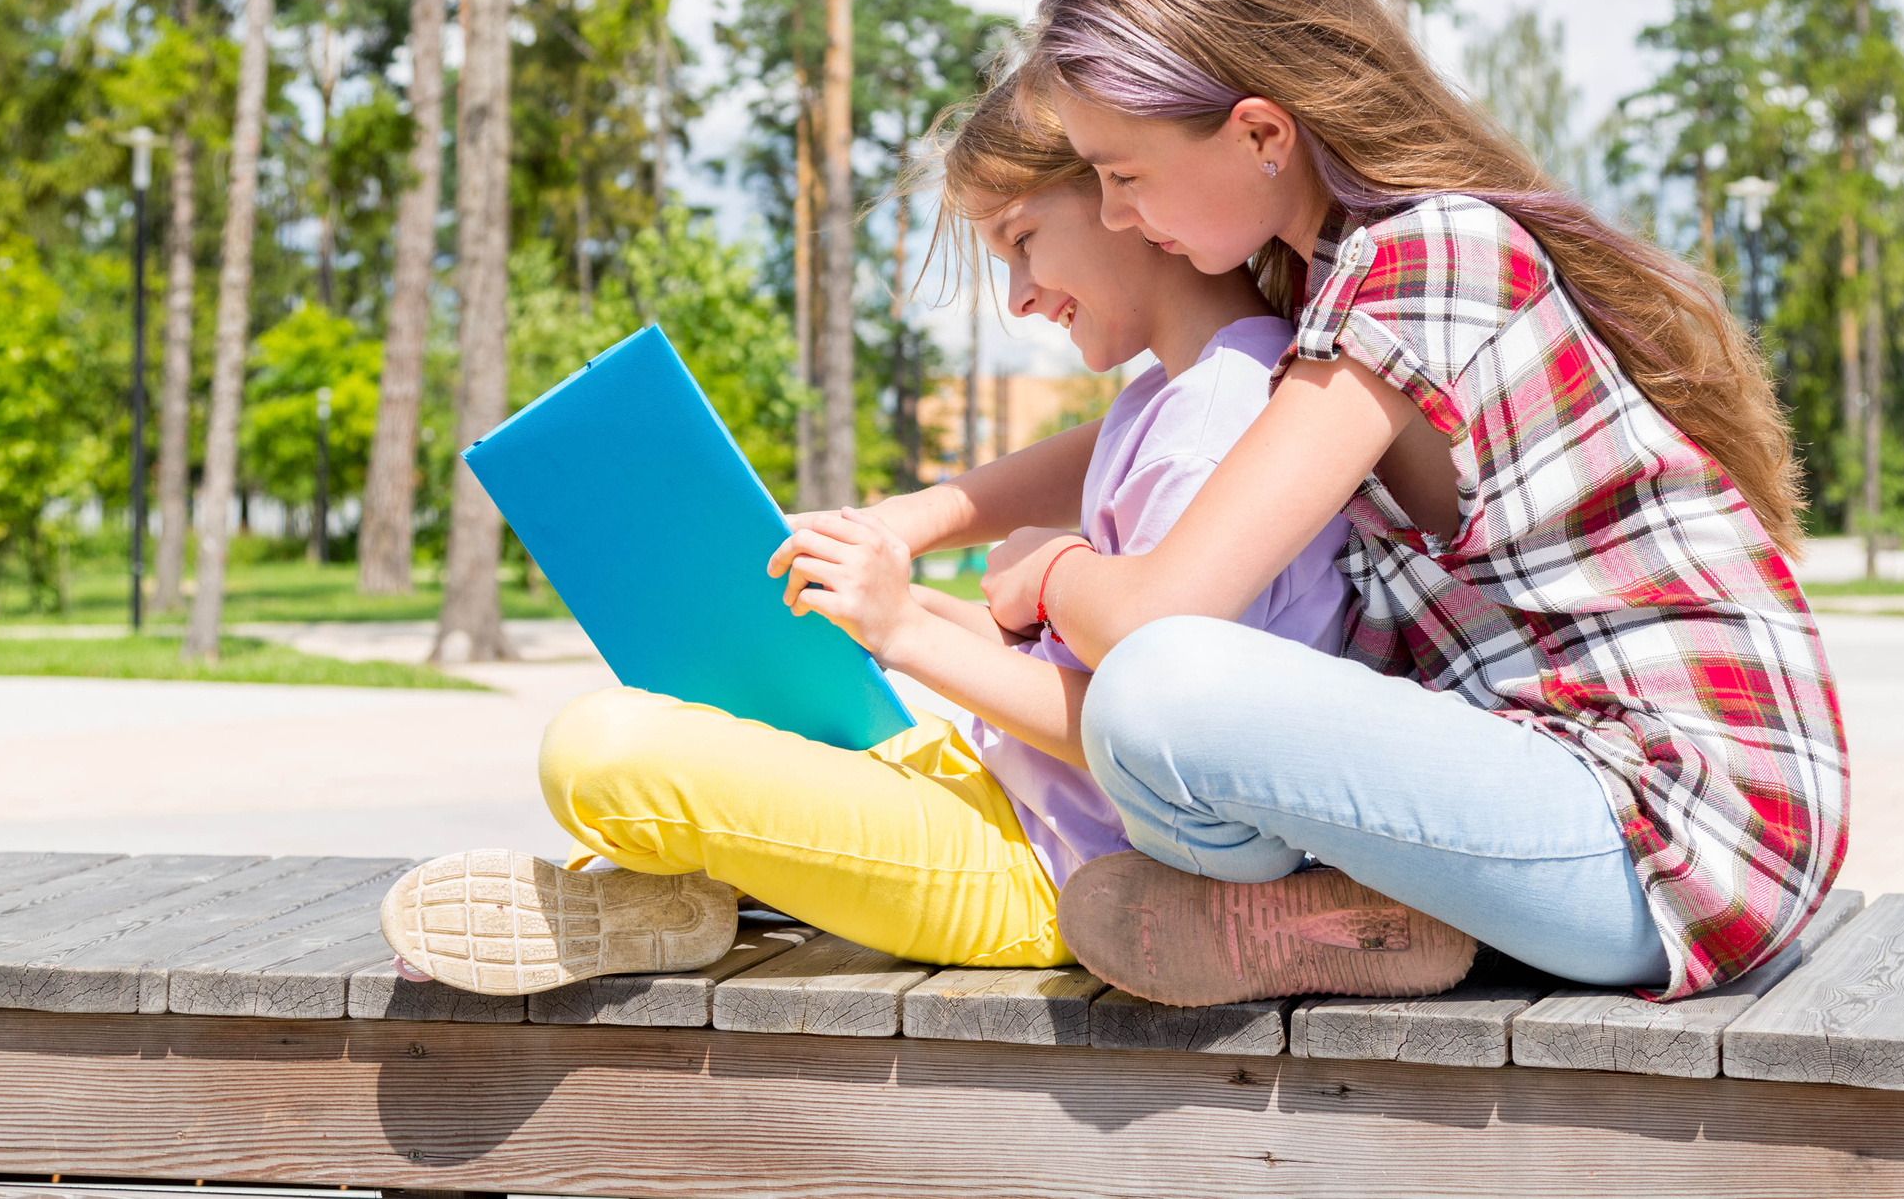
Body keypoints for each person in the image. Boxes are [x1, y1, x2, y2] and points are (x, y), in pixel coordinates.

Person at [948, 0, 1848, 1009]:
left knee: (1155, 690)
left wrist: (1053, 569)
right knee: (1152, 695)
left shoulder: (1426, 258)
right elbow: (1149, 429)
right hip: (1551, 801)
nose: (1119, 215)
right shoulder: (1335, 285)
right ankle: (1354, 921)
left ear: (1261, 133)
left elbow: (1151, 618)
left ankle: (1331, 914)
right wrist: (934, 514)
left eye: (1123, 176)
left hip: (1681, 829)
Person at [380, 76, 1362, 994]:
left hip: (1052, 872)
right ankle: (671, 899)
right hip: (995, 791)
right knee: (678, 734)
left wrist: (906, 632)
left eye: (1024, 239)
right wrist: (876, 599)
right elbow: (1068, 659)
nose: (1018, 294)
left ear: (1126, 199)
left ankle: (674, 890)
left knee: (597, 748)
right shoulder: (1182, 395)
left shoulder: (1217, 421)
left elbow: (1157, 743)